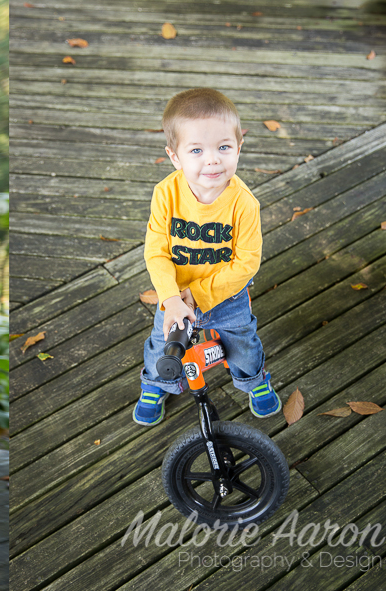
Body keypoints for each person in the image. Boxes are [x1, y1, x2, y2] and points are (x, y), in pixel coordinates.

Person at [134, 88, 281, 426]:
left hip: (227, 297)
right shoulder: (166, 194)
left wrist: (198, 295)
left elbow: (246, 263)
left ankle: (253, 381)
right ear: (175, 157)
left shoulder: (244, 204)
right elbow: (156, 251)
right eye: (197, 150)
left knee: (242, 342)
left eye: (224, 148)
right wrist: (171, 299)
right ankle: (158, 383)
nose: (212, 159)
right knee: (161, 343)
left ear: (239, 148)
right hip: (175, 298)